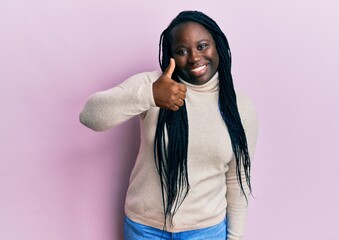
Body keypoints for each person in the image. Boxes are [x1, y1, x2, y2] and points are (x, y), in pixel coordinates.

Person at [80, 10, 258, 240]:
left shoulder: (239, 107)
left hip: (206, 231)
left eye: (203, 46)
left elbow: (237, 181)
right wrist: (150, 96)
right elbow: (89, 115)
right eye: (182, 51)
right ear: (170, 56)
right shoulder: (153, 85)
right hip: (144, 228)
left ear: (219, 46)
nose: (194, 58)